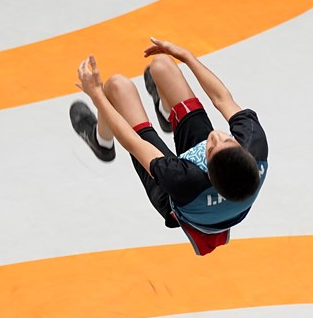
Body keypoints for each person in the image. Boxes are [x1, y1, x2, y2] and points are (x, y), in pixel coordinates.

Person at [70, 38, 268, 256]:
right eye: (227, 139)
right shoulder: (254, 143)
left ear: (207, 170)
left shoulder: (182, 179)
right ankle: (167, 114)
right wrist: (187, 56)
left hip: (179, 199)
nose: (214, 136)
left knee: (117, 87)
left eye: (210, 149)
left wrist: (97, 95)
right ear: (243, 148)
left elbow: (133, 143)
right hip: (215, 192)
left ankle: (102, 142)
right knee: (162, 65)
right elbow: (222, 98)